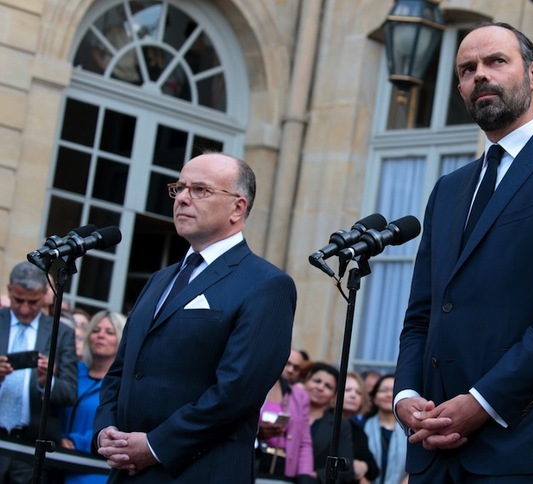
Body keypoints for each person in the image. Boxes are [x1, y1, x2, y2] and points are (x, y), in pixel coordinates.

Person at [392, 20, 533, 482]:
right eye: (466, 69)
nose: (479, 75)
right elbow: (422, 314)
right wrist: (405, 397)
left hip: (520, 444)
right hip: (432, 446)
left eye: (496, 61)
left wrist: (481, 402)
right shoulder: (449, 189)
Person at [93, 152, 297, 482]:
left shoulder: (266, 284)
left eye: (200, 190)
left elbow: (235, 393)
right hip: (127, 470)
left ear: (237, 208)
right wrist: (106, 431)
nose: (184, 198)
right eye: (180, 188)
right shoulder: (160, 279)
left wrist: (156, 446)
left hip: (199, 472)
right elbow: (122, 369)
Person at [0, 261, 78, 483]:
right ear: (9, 290)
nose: (25, 308)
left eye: (32, 302)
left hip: (32, 448)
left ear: (45, 294)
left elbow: (70, 393)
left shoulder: (61, 333)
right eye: (18, 300)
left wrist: (47, 382)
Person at [60, 310, 127, 483]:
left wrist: (78, 441)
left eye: (109, 332)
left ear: (121, 339)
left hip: (92, 469)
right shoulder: (74, 372)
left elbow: (120, 425)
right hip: (56, 462)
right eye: (96, 330)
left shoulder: (124, 383)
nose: (100, 336)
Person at [256, 349, 316, 482]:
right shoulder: (258, 386)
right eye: (287, 364)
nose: (290, 370)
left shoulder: (300, 397)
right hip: (253, 460)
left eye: (296, 368)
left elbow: (304, 441)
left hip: (284, 467)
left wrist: (305, 475)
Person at [304, 362, 355, 483]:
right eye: (317, 381)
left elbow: (346, 468)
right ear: (306, 382)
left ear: (333, 396)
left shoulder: (340, 426)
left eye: (328, 386)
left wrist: (315, 476)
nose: (320, 387)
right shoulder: (285, 411)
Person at [364, 375, 407, 484]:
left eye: (393, 390)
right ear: (374, 398)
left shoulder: (411, 431)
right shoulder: (362, 427)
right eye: (383, 390)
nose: (388, 394)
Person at [342, 372, 379, 483]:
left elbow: (374, 469)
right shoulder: (324, 421)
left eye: (359, 393)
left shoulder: (357, 430)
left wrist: (364, 465)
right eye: (347, 390)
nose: (353, 396)